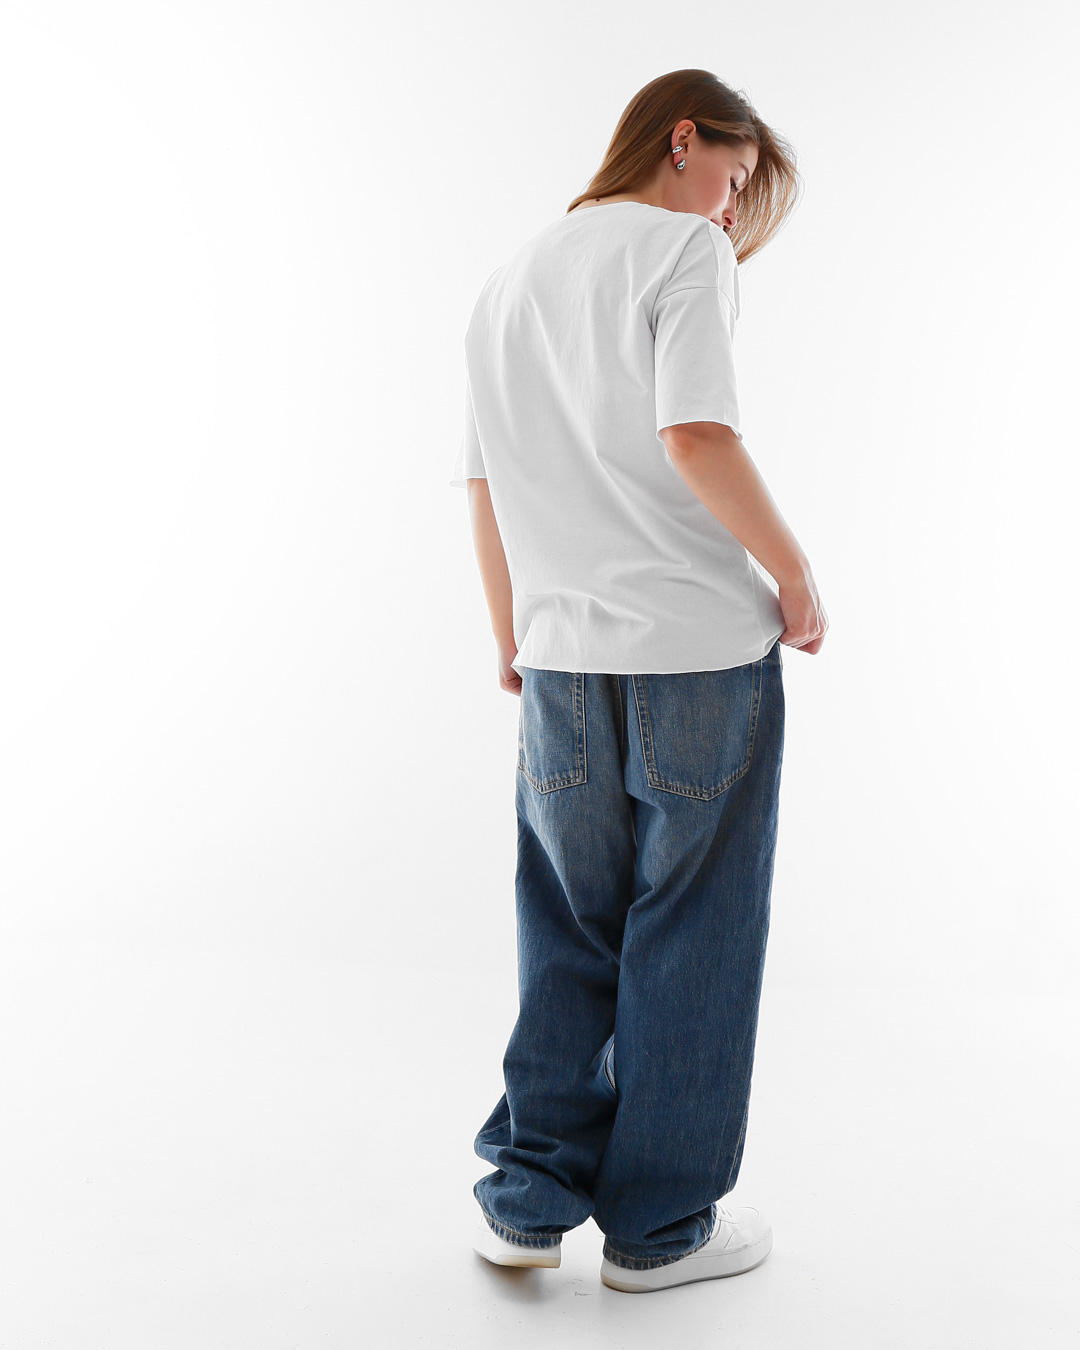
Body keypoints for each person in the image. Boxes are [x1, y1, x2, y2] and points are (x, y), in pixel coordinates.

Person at [449, 68, 828, 1294]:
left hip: (561, 660)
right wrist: (793, 573)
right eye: (734, 177)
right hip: (697, 656)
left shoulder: (510, 280)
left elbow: (485, 485)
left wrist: (510, 633)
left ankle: (526, 1201)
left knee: (567, 925)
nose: (731, 210)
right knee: (693, 932)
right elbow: (695, 433)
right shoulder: (682, 252)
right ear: (683, 139)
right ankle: (661, 1231)